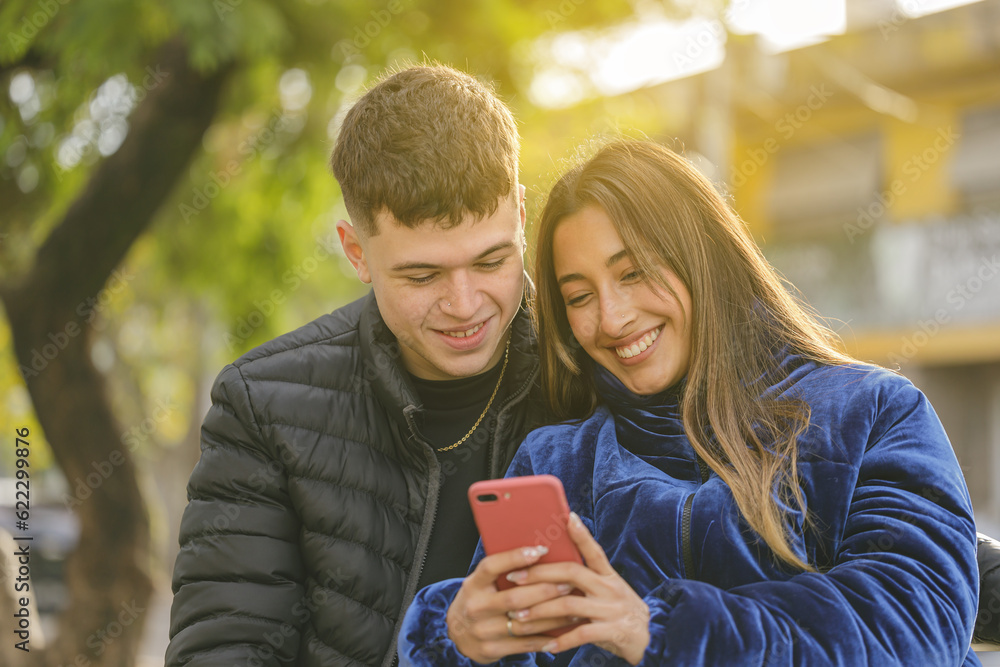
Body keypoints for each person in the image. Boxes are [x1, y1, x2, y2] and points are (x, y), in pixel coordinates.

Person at [397, 140, 981, 666]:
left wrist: (655, 629)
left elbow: (912, 626)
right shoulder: (557, 461)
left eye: (634, 273)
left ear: (701, 257)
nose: (612, 319)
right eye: (579, 296)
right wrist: (458, 639)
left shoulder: (873, 414)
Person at [166, 64, 547, 666]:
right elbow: (223, 650)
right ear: (355, 251)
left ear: (521, 214)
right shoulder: (262, 405)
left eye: (491, 260)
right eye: (422, 275)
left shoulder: (591, 365)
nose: (466, 305)